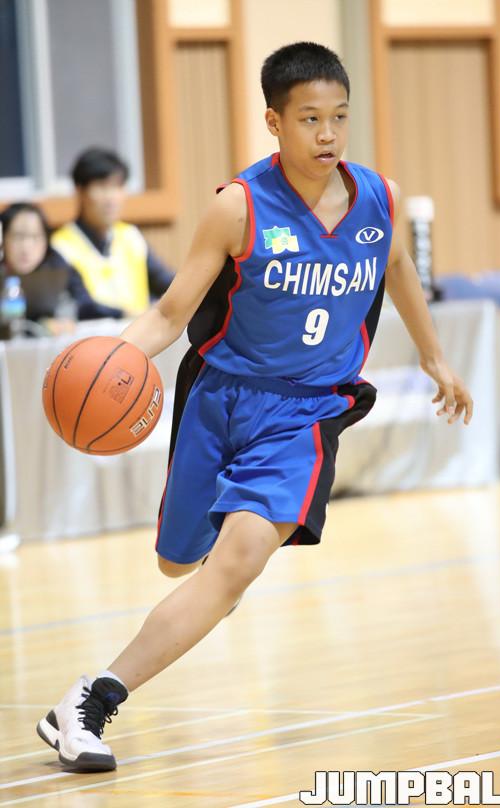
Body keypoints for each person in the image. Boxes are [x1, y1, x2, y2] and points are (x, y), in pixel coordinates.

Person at [36, 43, 473, 772]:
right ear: (274, 121)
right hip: (219, 397)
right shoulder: (238, 206)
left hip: (306, 412)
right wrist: (108, 363)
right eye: (310, 119)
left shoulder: (380, 200)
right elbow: (170, 313)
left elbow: (396, 262)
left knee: (237, 561)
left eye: (340, 117)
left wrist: (434, 356)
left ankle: (89, 701)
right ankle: (219, 577)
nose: (328, 134)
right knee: (178, 564)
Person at [51, 148, 174, 317]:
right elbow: (82, 305)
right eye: (102, 187)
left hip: (140, 330)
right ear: (80, 191)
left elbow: (166, 282)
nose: (111, 198)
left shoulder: (130, 236)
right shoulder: (61, 246)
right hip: (94, 333)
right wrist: (127, 313)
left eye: (117, 186)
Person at [0, 202, 122, 333]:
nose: (26, 247)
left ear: (46, 240)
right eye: (18, 237)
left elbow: (85, 305)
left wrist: (121, 313)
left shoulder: (57, 266)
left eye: (35, 237)